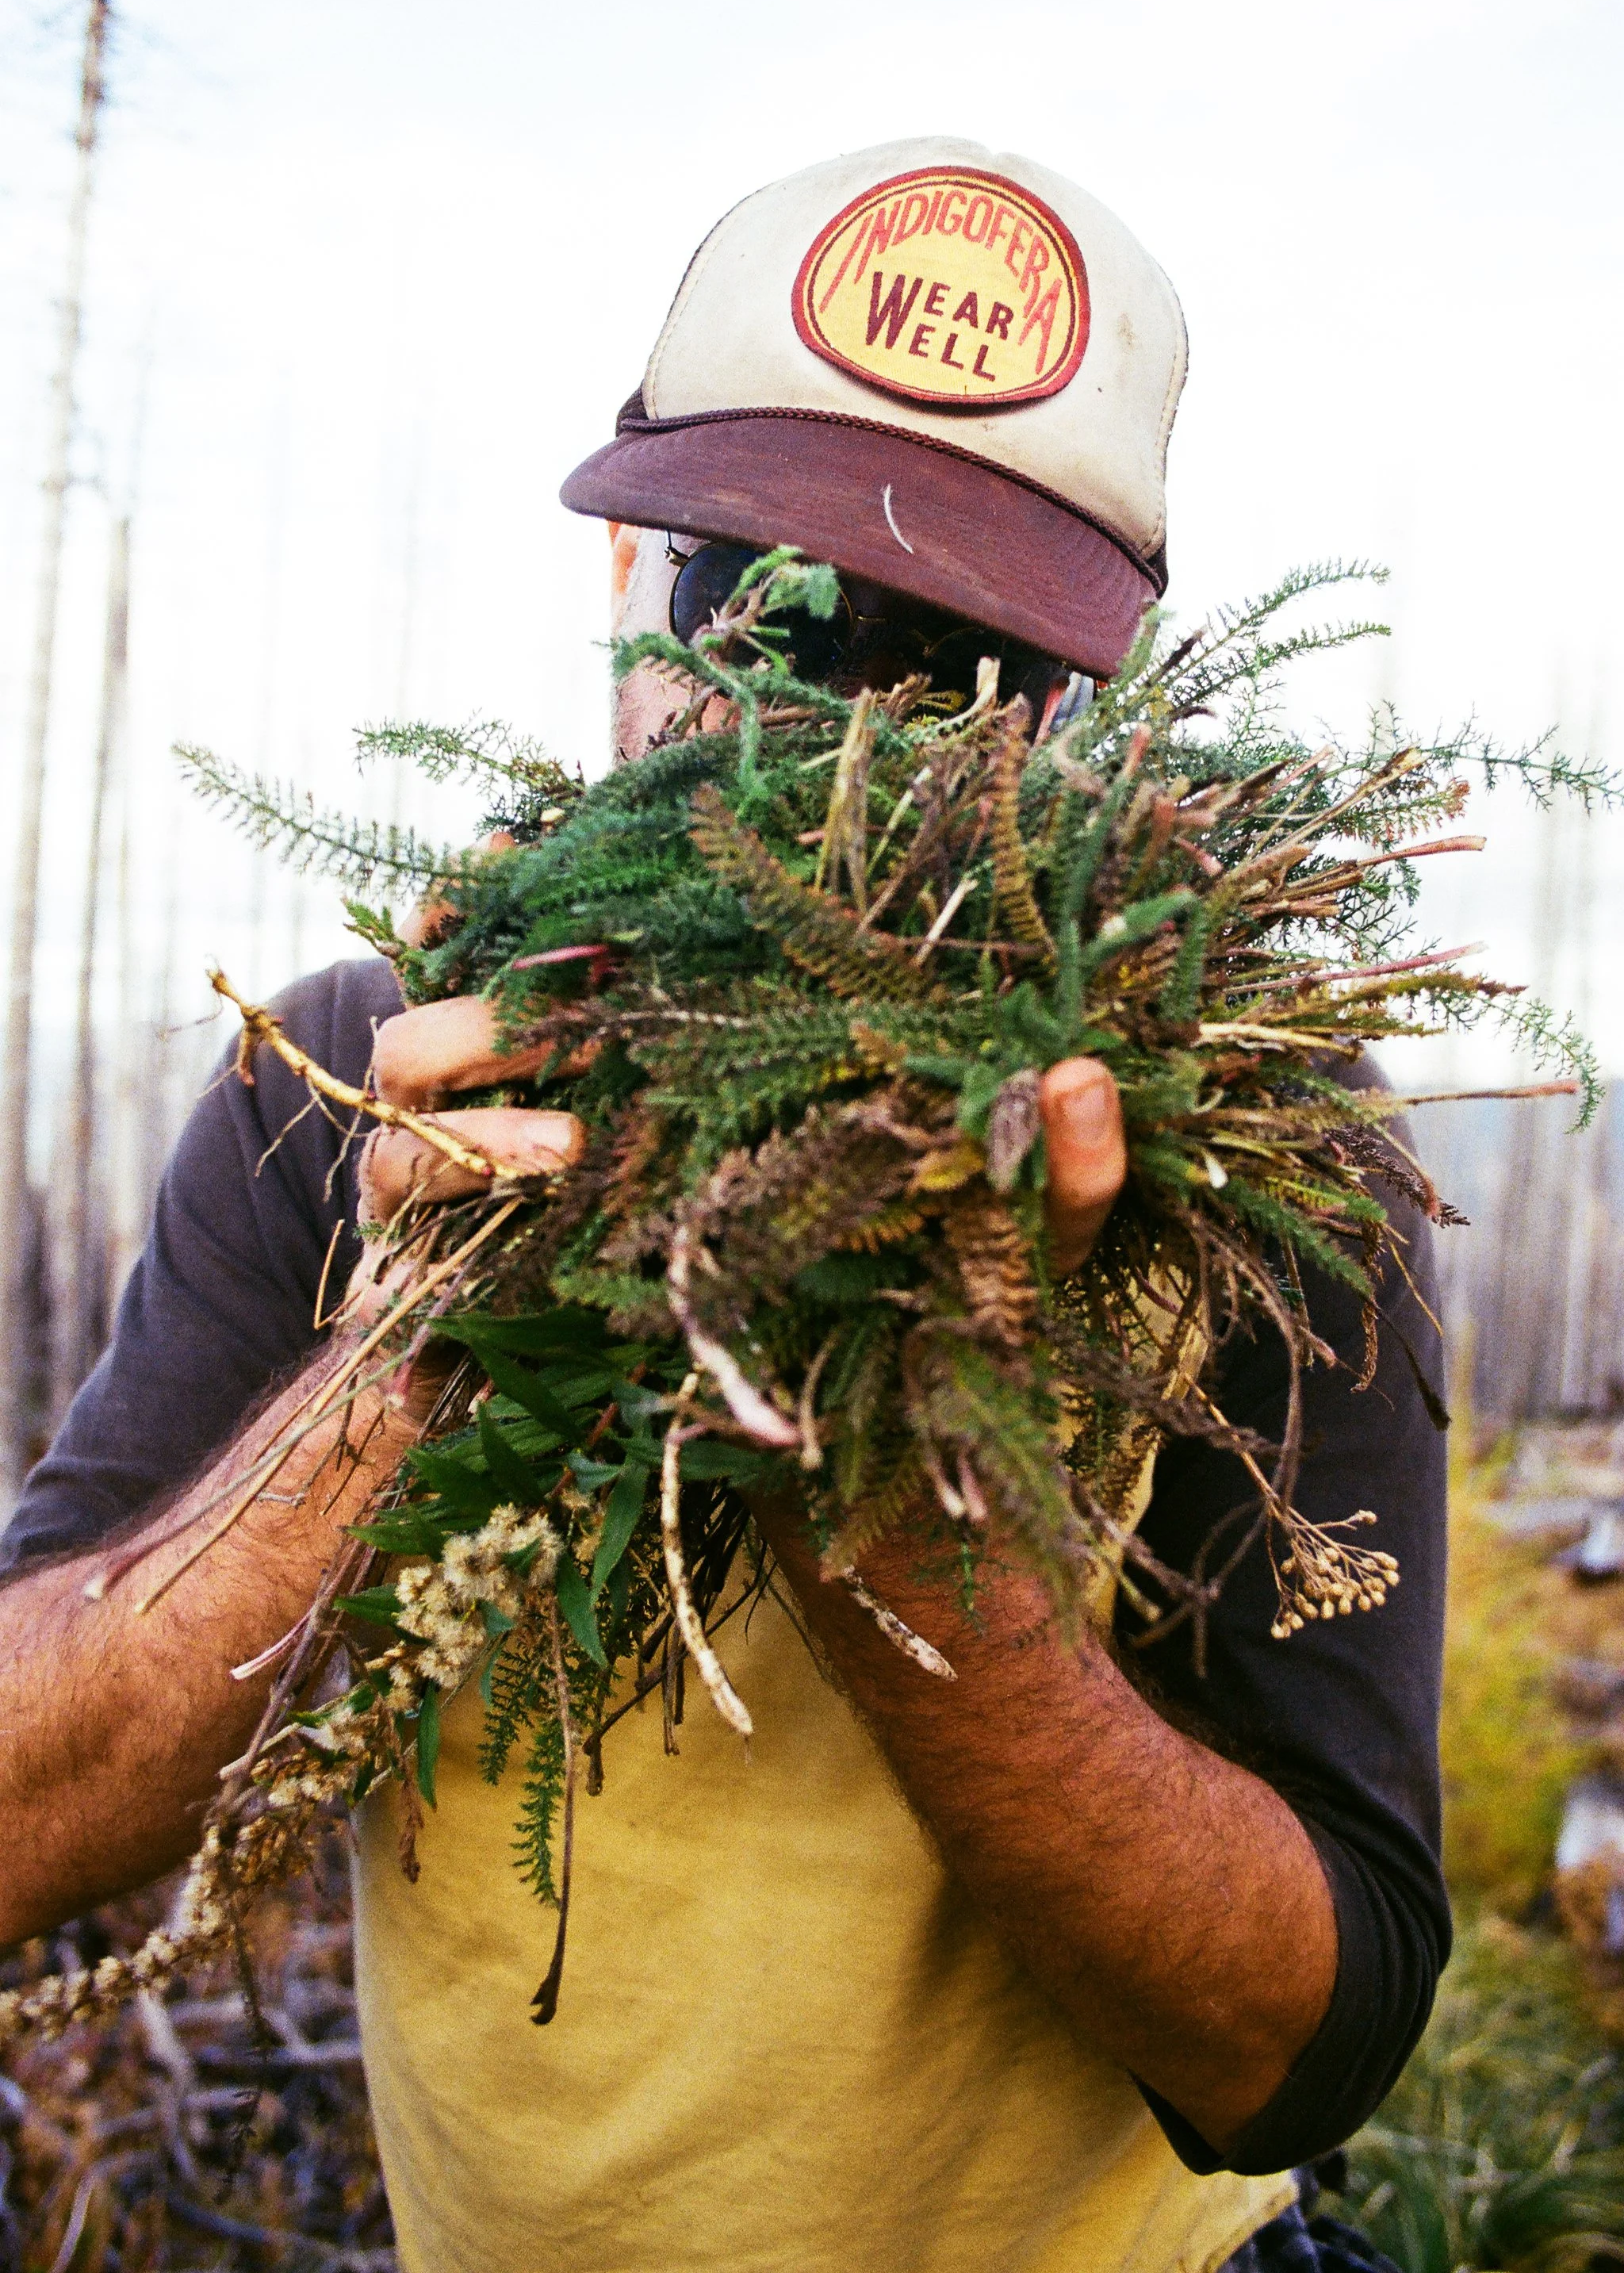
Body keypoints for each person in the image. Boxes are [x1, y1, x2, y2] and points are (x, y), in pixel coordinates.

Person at [0, 140, 1446, 2273]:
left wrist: (920, 1536)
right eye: (753, 598)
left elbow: (1302, 2049)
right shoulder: (358, 1082)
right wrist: (416, 1367)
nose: (818, 730)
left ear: (1088, 721)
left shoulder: (1250, 1145)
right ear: (628, 584)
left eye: (948, 657)